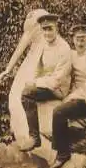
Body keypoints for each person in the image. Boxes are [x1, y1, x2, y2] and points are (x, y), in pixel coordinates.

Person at [19, 12, 72, 152]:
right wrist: (33, 80)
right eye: (44, 29)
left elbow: (57, 79)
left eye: (50, 29)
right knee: (26, 88)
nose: (47, 33)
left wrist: (36, 84)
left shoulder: (64, 48)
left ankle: (35, 137)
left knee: (26, 94)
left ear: (57, 28)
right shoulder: (44, 45)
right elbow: (38, 68)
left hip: (58, 88)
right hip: (46, 84)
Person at [50, 24, 86, 168]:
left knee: (58, 112)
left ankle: (63, 154)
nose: (80, 43)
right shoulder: (71, 55)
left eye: (83, 39)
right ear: (73, 40)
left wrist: (70, 97)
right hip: (75, 95)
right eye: (77, 39)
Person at [6, 9, 53, 146]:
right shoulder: (33, 23)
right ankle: (27, 134)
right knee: (18, 94)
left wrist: (8, 69)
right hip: (33, 58)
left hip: (39, 64)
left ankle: (33, 136)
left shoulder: (49, 42)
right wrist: (8, 68)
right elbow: (22, 46)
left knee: (23, 94)